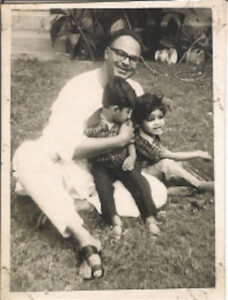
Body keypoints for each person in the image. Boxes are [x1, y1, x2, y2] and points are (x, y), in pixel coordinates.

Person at [12, 29, 167, 280]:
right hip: (70, 168)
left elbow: (137, 130)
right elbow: (67, 147)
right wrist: (118, 140)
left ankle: (76, 206)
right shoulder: (78, 88)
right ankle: (83, 236)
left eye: (134, 58)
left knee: (157, 192)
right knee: (25, 156)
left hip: (108, 176)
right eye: (120, 54)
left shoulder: (134, 88)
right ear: (106, 53)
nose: (127, 62)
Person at [85, 76, 160, 239]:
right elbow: (88, 146)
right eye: (128, 111)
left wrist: (132, 156)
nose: (130, 115)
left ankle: (150, 217)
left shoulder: (125, 122)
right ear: (115, 109)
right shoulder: (93, 125)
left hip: (123, 161)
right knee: (104, 189)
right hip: (102, 165)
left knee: (139, 182)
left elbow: (130, 141)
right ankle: (114, 220)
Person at [132, 93, 214, 193]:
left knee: (179, 163)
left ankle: (199, 181)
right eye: (151, 119)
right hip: (141, 178)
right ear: (139, 122)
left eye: (160, 117)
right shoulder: (141, 141)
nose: (157, 122)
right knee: (166, 163)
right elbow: (172, 156)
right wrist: (199, 154)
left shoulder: (149, 135)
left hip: (150, 172)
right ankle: (199, 185)